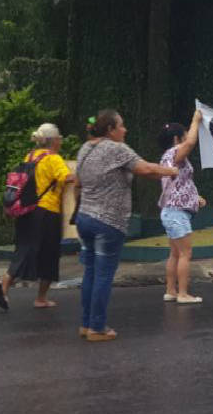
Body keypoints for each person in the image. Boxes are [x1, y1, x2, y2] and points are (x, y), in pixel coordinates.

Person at [74, 109, 178, 341]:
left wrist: (160, 173)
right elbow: (145, 169)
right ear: (110, 130)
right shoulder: (116, 148)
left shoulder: (85, 148)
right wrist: (171, 170)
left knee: (90, 272)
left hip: (85, 218)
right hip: (107, 221)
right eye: (121, 125)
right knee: (103, 275)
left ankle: (86, 323)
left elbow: (78, 182)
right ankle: (98, 328)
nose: (125, 129)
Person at [0, 123, 73, 310]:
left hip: (26, 210)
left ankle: (5, 283)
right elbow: (67, 178)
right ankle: (40, 297)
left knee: (24, 248)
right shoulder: (54, 159)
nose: (60, 142)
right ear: (54, 141)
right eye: (59, 139)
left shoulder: (30, 156)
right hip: (47, 212)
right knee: (50, 254)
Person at [159, 110, 207, 304]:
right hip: (177, 213)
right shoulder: (174, 153)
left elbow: (179, 184)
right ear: (176, 138)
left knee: (175, 253)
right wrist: (195, 120)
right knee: (186, 254)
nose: (189, 135)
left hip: (170, 211)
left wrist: (196, 198)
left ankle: (171, 290)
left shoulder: (166, 157)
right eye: (185, 133)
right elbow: (190, 143)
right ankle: (183, 294)